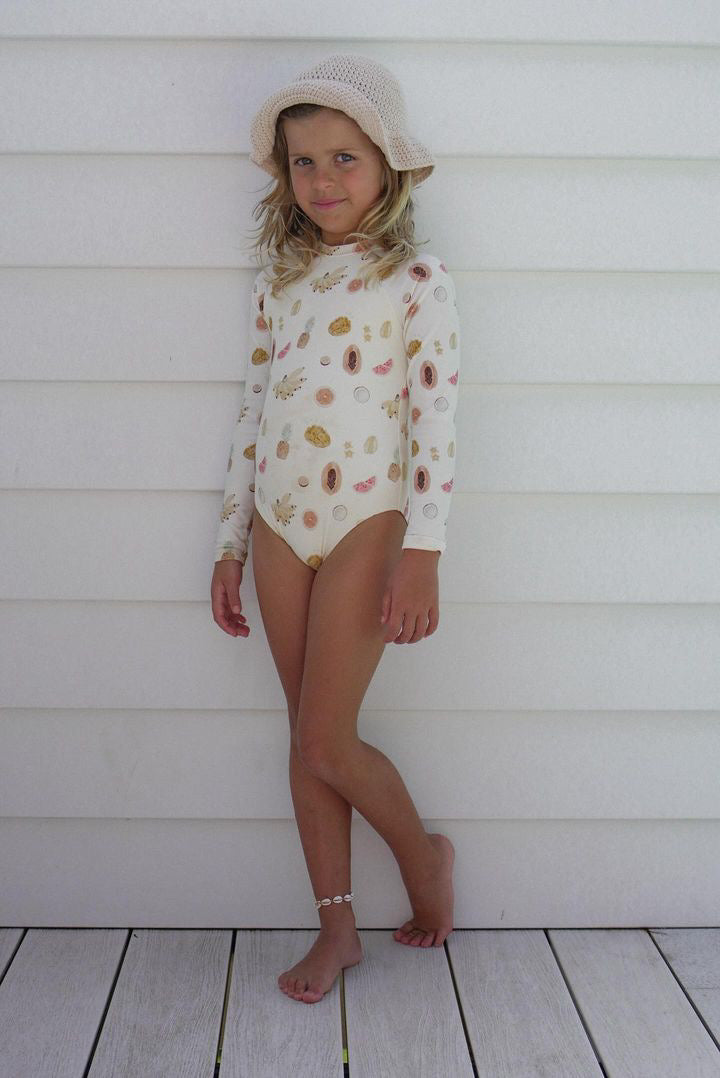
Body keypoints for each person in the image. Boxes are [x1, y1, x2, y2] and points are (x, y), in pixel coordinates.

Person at [210, 54, 460, 1005]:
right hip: (279, 520)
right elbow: (251, 409)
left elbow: (435, 419)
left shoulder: (418, 280)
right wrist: (231, 542)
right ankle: (338, 927)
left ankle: (422, 857)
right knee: (302, 737)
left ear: (387, 164)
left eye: (344, 159)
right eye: (304, 162)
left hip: (366, 521)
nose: (323, 181)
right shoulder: (281, 282)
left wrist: (423, 550)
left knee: (326, 738)